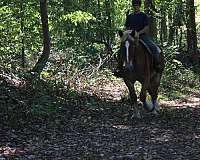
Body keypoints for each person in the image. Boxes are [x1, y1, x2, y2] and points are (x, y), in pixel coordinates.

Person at [114, 0, 162, 77]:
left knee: (153, 47)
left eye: (137, 5)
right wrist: (126, 33)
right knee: (121, 49)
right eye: (134, 5)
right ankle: (119, 67)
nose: (135, 7)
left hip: (142, 36)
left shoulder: (143, 16)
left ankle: (157, 65)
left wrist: (138, 33)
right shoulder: (129, 16)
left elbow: (146, 28)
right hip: (130, 36)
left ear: (139, 6)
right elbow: (126, 27)